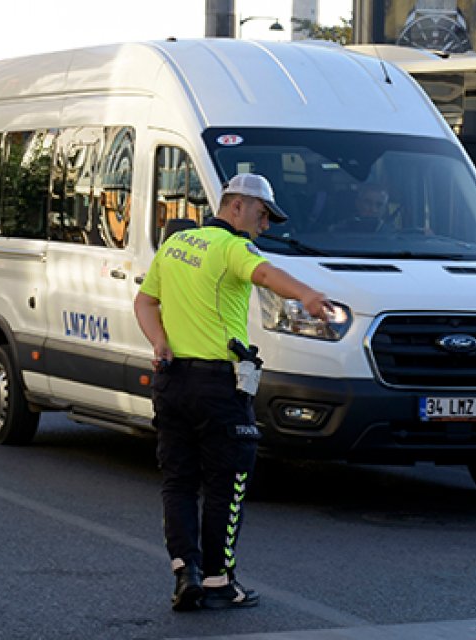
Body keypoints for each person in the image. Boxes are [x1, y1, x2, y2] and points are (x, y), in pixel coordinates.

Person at [134, 173, 332, 611]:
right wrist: (309, 294)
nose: (264, 226)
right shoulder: (232, 248)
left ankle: (186, 573)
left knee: (179, 481)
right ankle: (220, 582)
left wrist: (159, 342)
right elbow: (265, 273)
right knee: (229, 481)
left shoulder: (176, 244)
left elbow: (145, 302)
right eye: (262, 216)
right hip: (218, 386)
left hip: (173, 380)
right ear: (236, 206)